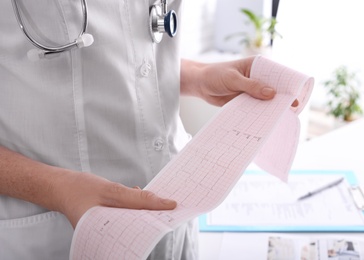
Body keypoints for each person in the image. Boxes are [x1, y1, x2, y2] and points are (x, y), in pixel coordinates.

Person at [0, 0, 285, 259]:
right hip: (59, 235)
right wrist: (56, 188)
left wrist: (197, 76)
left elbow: (126, 50)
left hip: (174, 225)